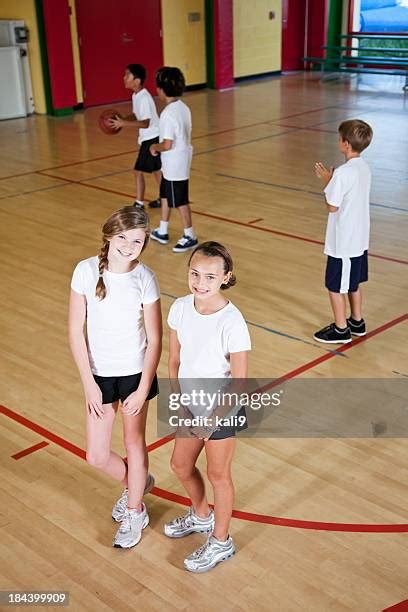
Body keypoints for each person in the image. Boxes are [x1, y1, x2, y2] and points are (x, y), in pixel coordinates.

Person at [68, 206, 162, 549]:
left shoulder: (146, 279)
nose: (128, 245)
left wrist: (142, 387)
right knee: (95, 454)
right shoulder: (85, 271)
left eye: (137, 240)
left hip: (136, 374)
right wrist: (88, 384)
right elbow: (75, 332)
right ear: (109, 234)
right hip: (99, 377)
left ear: (145, 242)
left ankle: (135, 508)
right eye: (122, 237)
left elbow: (155, 339)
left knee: (134, 442)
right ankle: (138, 482)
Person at [165, 242, 251, 572]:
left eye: (211, 277)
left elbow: (240, 380)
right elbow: (174, 360)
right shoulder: (181, 307)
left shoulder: (233, 322)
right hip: (190, 404)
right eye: (195, 274)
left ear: (226, 277)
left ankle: (221, 541)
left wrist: (212, 420)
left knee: (218, 474)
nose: (201, 283)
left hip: (222, 409)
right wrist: (181, 401)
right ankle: (202, 515)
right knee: (180, 465)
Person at [314, 119, 373, 344]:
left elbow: (332, 206)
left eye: (339, 138)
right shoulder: (364, 167)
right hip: (359, 239)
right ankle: (357, 322)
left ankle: (341, 329)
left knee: (334, 286)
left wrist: (328, 181)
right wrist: (333, 181)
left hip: (344, 243)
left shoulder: (343, 173)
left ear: (346, 144)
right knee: (353, 283)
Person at [149, 66, 198, 253]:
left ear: (161, 89)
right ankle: (162, 230)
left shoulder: (168, 114)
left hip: (174, 163)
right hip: (177, 161)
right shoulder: (182, 108)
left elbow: (167, 144)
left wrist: (155, 147)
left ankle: (190, 235)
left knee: (179, 200)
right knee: (165, 195)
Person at [110, 64, 162, 209]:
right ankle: (165, 198)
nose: (124, 78)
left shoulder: (144, 98)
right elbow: (136, 115)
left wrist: (124, 124)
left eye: (128, 75)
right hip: (152, 136)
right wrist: (121, 119)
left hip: (152, 137)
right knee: (156, 170)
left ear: (137, 80)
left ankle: (139, 203)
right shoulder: (136, 95)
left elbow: (145, 123)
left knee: (138, 171)